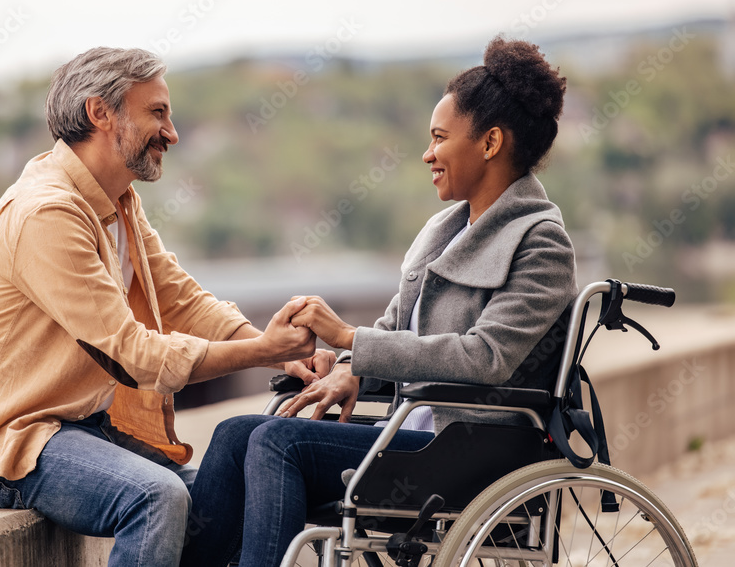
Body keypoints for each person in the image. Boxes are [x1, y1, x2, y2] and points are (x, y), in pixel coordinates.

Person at [181, 36, 578, 567]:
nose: (428, 153)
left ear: (490, 143)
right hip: (415, 433)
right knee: (233, 434)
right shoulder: (446, 230)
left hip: (472, 451)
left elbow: (487, 358)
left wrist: (349, 337)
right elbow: (394, 330)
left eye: (439, 138)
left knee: (279, 443)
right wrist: (349, 367)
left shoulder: (541, 241)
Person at [0, 47, 334, 567]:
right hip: (15, 438)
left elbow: (179, 300)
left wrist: (282, 356)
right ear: (100, 113)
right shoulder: (46, 214)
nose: (172, 133)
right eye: (158, 113)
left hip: (85, 428)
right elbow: (133, 355)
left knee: (231, 482)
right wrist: (260, 350)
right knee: (157, 498)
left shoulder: (117, 201)